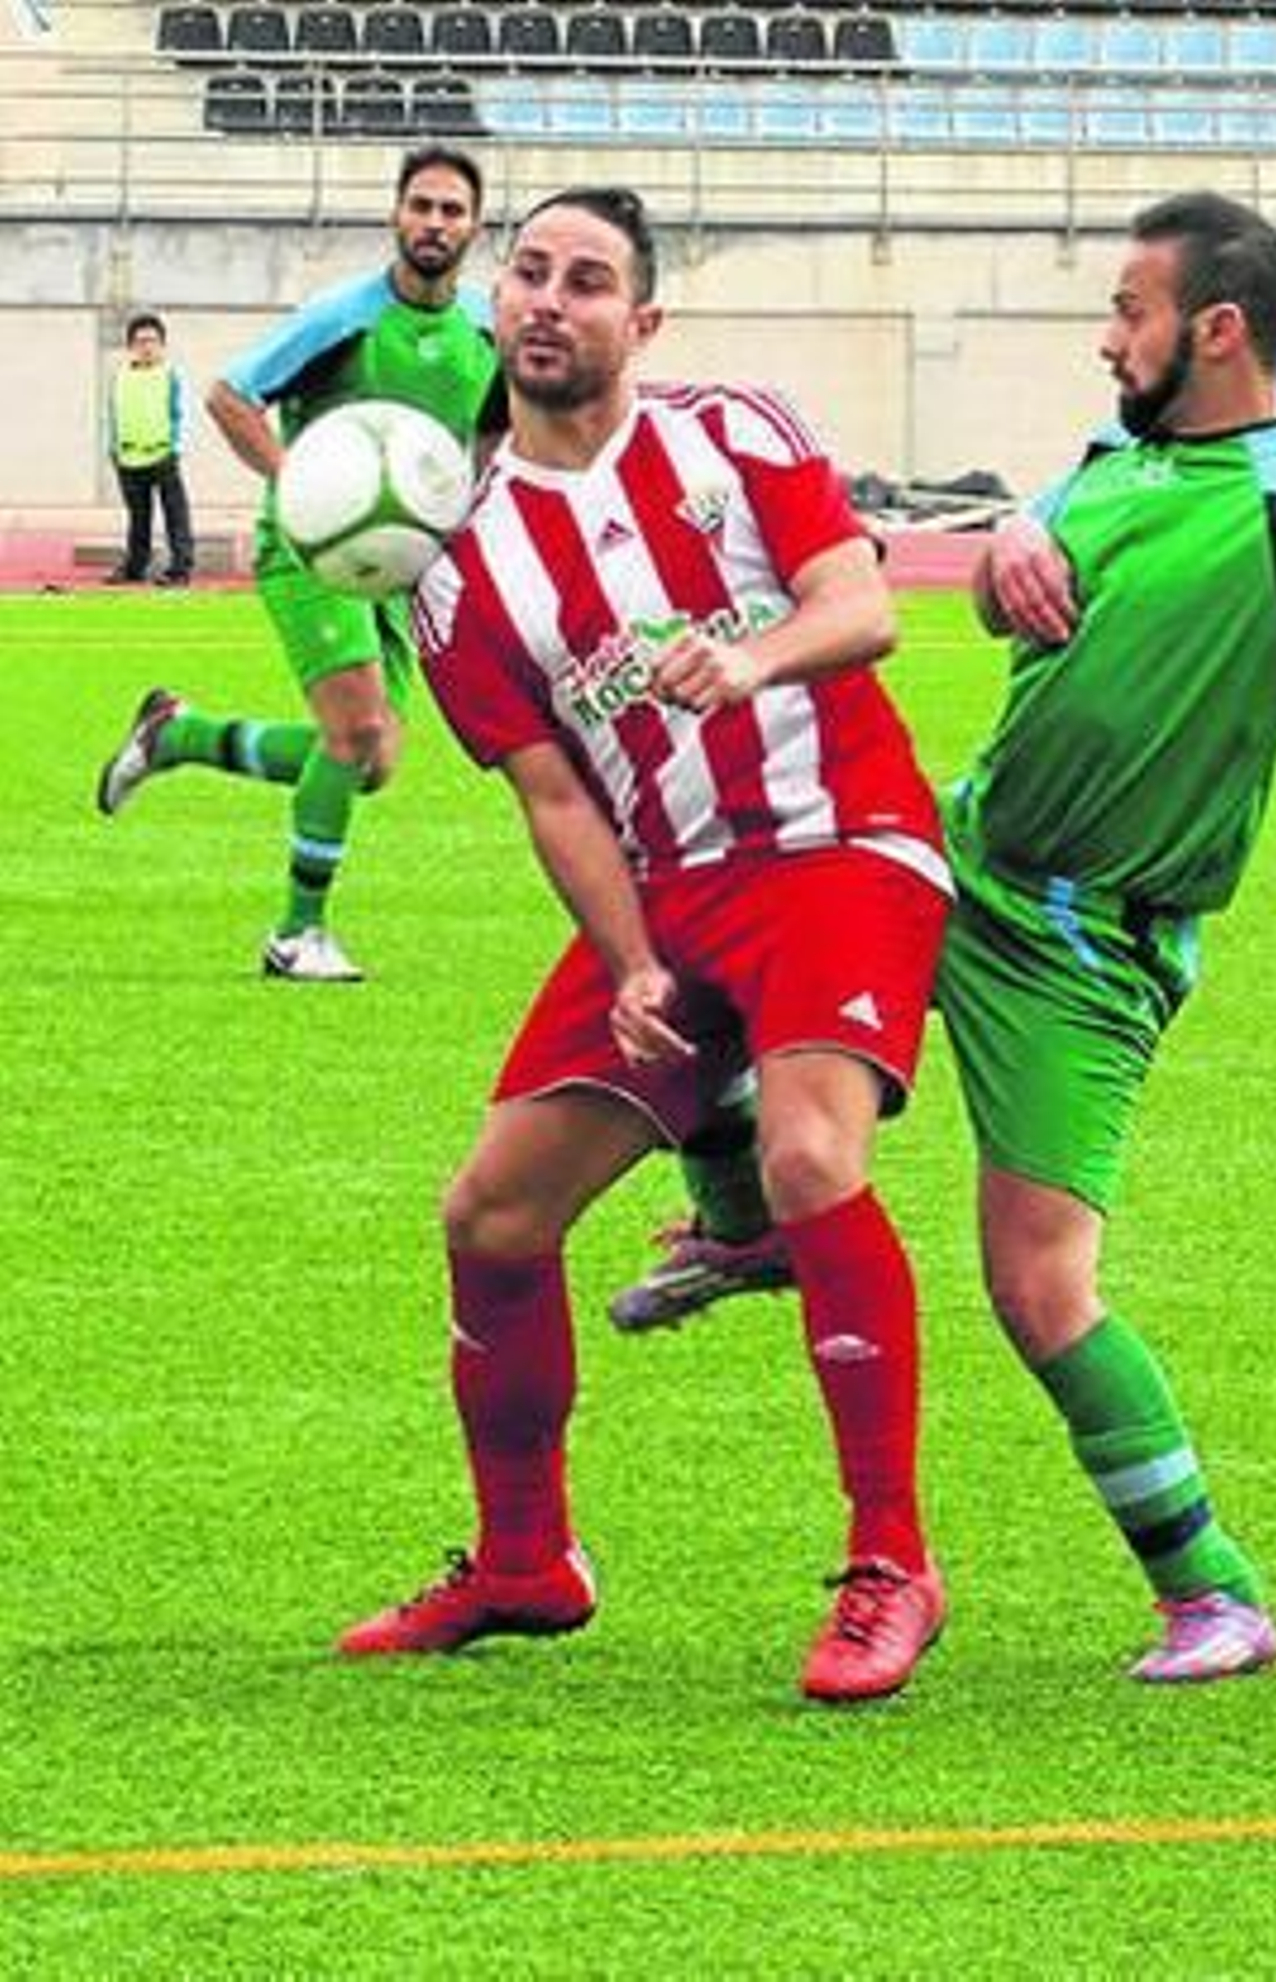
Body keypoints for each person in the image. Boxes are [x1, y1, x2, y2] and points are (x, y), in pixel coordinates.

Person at [618, 190, 1276, 1685]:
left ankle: (1213, 1592)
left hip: (1087, 946)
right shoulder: (1119, 454)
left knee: (1038, 1284)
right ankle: (748, 1223)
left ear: (1216, 330)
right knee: (711, 932)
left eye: (1131, 311)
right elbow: (1014, 601)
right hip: (958, 850)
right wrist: (1011, 543)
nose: (1109, 335)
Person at [338, 186, 952, 1705]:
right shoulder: (460, 567)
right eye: (528, 272)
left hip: (836, 842)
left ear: (643, 322)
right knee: (489, 1213)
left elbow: (863, 605)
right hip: (665, 896)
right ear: (499, 307)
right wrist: (629, 965)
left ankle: (891, 1561)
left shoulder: (732, 434)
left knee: (812, 1158)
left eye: (589, 279)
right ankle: (526, 1563)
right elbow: (552, 790)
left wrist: (744, 660)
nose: (550, 299)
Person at [94, 145, 499, 983]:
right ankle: (295, 935)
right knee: (353, 733)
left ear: (475, 226)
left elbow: (490, 432)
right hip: (311, 547)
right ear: (396, 214)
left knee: (374, 759)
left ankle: (179, 736)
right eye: (420, 206)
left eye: (451, 210)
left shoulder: (486, 326)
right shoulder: (343, 315)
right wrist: (305, 486)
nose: (434, 223)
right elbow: (231, 394)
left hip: (401, 564)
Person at [105, 311, 195, 589]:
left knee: (175, 515)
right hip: (128, 459)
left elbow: (180, 413)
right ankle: (135, 567)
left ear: (162, 345)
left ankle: (180, 569)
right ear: (130, 346)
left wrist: (177, 447)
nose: (147, 346)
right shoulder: (119, 378)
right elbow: (113, 415)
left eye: (153, 341)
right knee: (138, 518)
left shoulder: (171, 375)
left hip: (163, 456)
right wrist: (114, 450)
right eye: (141, 341)